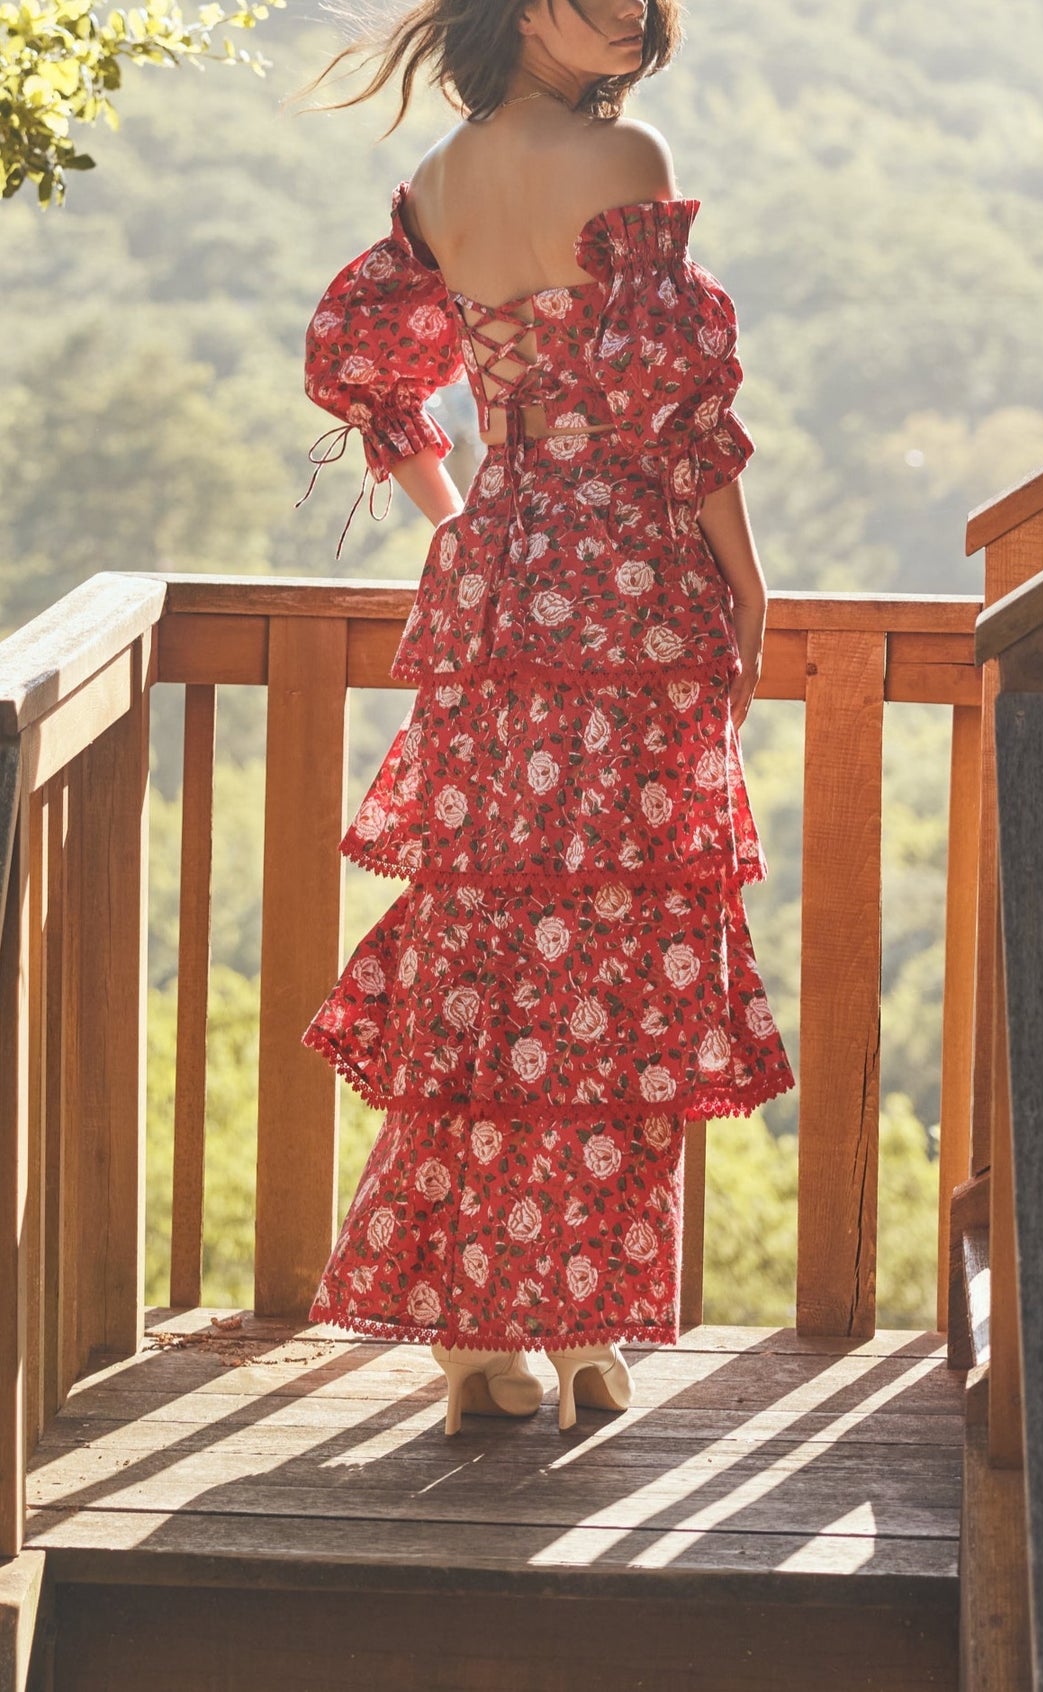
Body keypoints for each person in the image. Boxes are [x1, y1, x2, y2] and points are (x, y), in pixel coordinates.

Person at [293, 0, 796, 1437]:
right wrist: (745, 581)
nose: (637, 15)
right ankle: (579, 1331)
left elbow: (364, 364)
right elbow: (676, 404)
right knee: (618, 959)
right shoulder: (625, 161)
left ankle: (476, 1343)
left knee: (490, 950)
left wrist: (466, 515)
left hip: (501, 579)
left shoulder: (439, 190)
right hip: (630, 583)